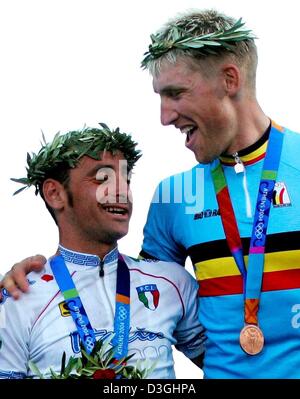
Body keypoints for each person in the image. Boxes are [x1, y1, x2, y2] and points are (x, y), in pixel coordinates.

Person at [2, 8, 300, 378]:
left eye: (175, 93)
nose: (164, 116)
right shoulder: (173, 196)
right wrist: (28, 286)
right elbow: (137, 296)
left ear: (229, 79)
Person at [0, 124, 205, 379]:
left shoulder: (172, 283)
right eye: (103, 178)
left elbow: (235, 367)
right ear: (55, 193)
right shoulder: (17, 298)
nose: (122, 191)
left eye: (126, 178)